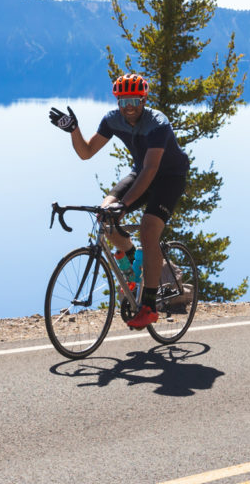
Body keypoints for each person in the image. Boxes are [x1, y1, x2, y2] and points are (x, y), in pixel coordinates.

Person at [48, 74, 190, 328]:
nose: (129, 106)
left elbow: (151, 169)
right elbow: (86, 152)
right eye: (123, 100)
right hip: (141, 172)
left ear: (144, 99)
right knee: (105, 216)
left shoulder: (157, 123)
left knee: (148, 230)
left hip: (168, 177)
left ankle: (148, 305)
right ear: (117, 100)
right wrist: (74, 130)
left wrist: (124, 205)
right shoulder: (112, 120)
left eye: (134, 99)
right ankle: (135, 263)